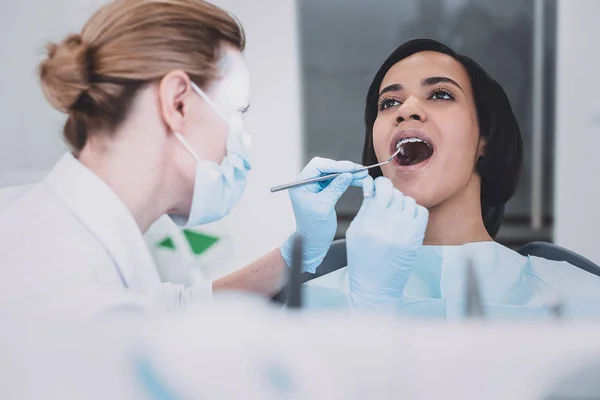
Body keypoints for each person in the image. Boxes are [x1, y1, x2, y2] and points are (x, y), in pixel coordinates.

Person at [0, 0, 368, 317]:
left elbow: (171, 311)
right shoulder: (71, 287)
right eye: (238, 111)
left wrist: (295, 253)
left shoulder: (51, 226)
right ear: (177, 102)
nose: (241, 138)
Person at [303, 39, 600, 319]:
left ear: (485, 136)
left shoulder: (579, 298)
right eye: (389, 102)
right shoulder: (311, 305)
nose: (405, 110)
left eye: (440, 94)